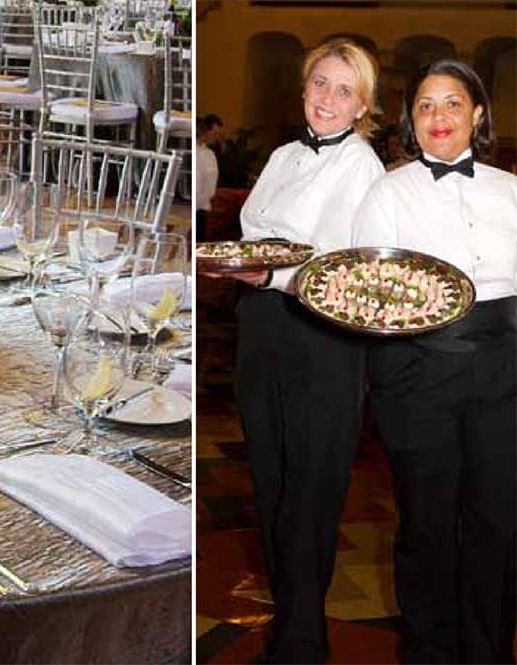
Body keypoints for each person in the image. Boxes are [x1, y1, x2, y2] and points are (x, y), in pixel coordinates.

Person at [203, 38, 385, 662]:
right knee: (270, 478)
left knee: (312, 487)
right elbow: (255, 231)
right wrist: (247, 270)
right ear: (304, 88)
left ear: (363, 105)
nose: (328, 99)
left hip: (321, 337)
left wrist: (270, 274)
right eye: (319, 84)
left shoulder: (361, 166)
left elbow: (340, 264)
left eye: (343, 90)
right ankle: (289, 619)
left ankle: (305, 640)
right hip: (263, 327)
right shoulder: (283, 154)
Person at [352, 60, 516, 664]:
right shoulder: (387, 191)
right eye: (425, 105)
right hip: (417, 370)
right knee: (425, 525)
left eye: (452, 103)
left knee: (498, 525)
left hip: (505, 369)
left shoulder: (512, 191)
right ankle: (427, 653)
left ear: (477, 114)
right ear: (409, 120)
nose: (439, 116)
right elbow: (370, 292)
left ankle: (489, 653)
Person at [195, 114, 223, 243]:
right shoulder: (206, 155)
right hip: (199, 209)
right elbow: (208, 187)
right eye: (215, 133)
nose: (216, 138)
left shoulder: (207, 153)